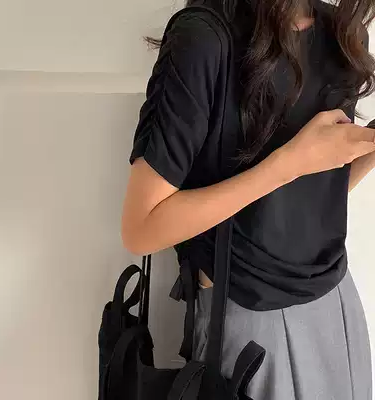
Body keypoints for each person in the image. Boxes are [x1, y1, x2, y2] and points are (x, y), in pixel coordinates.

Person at [122, 0, 375, 398]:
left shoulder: (343, 34)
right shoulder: (204, 38)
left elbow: (307, 200)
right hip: (250, 324)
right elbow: (141, 228)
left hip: (338, 305)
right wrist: (287, 164)